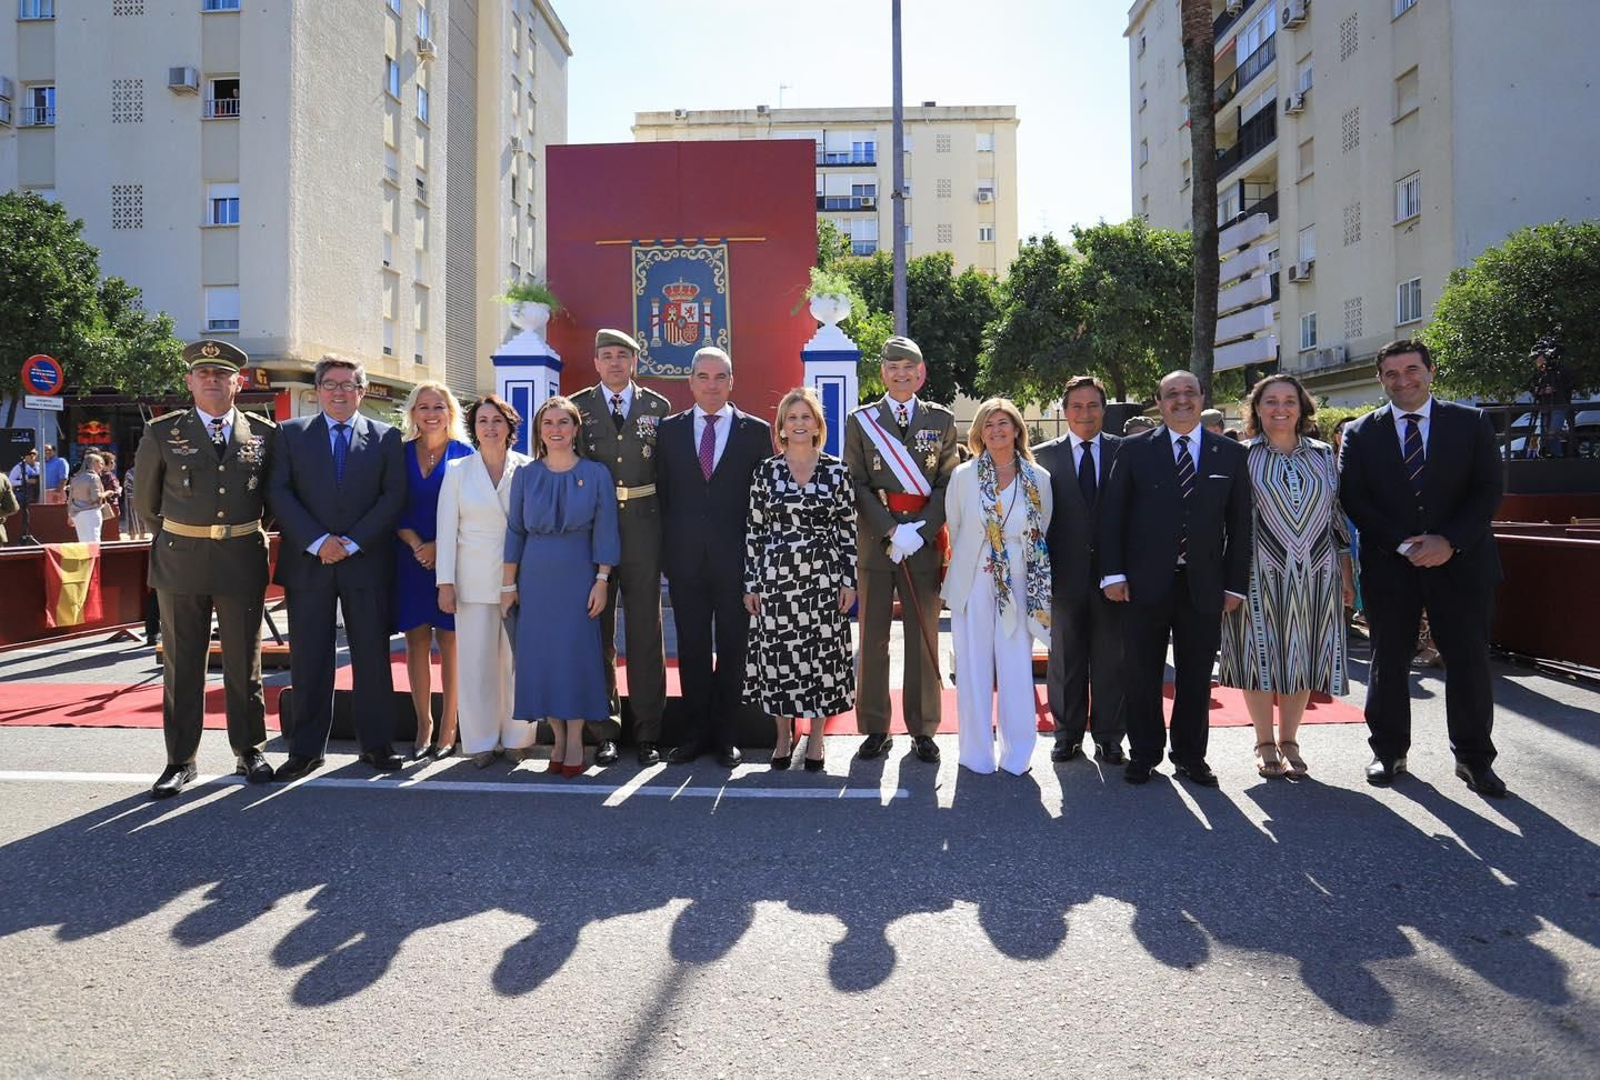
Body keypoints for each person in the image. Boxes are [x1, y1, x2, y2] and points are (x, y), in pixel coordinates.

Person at [1339, 339, 1506, 796]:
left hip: (1462, 562)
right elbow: (1354, 498)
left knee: (1468, 662)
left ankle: (1474, 759)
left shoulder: (1470, 423)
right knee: (1388, 660)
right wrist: (1403, 543)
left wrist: (1448, 541)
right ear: (1380, 379)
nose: (1403, 381)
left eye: (1412, 370)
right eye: (1391, 374)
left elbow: (1488, 489)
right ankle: (1388, 751)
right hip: (1390, 565)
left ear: (1430, 371)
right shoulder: (1360, 432)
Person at [134, 340, 278, 797]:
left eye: (222, 374)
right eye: (204, 373)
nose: (213, 380)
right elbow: (146, 505)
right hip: (182, 560)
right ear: (189, 382)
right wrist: (187, 532)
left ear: (238, 382)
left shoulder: (263, 433)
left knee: (243, 662)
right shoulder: (161, 433)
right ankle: (180, 759)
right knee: (182, 665)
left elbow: (271, 502)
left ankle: (250, 749)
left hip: (239, 557)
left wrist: (236, 531)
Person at [1099, 370, 1252, 787]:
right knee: (1142, 672)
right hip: (1143, 582)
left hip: (1204, 584)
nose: (1181, 400)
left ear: (1203, 398)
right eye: (1171, 394)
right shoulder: (1133, 451)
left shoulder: (1230, 453)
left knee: (1196, 675)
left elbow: (1241, 525)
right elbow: (1113, 516)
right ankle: (1144, 753)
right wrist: (1112, 574)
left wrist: (1235, 584)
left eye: (1189, 392)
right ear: (1159, 402)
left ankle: (1190, 755)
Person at [267, 354, 407, 780]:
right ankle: (306, 750)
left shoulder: (386, 438)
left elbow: (393, 497)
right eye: (331, 384)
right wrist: (318, 542)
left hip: (365, 562)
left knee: (372, 658)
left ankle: (377, 746)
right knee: (310, 659)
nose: (340, 392)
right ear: (318, 391)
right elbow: (279, 492)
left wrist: (351, 542)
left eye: (349, 385)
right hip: (309, 563)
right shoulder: (290, 435)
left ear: (362, 392)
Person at [1218, 375, 1354, 779]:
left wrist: (1347, 577)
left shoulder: (1323, 456)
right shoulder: (1240, 456)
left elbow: (1337, 519)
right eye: (1270, 401)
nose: (1280, 408)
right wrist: (1228, 581)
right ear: (1256, 410)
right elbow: (1229, 522)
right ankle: (1263, 742)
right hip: (1258, 573)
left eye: (1289, 400)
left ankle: (1290, 739)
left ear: (1302, 407)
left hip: (1318, 571)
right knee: (1259, 657)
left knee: (1303, 654)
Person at [843, 336, 960, 765]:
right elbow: (854, 481)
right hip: (877, 543)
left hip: (923, 546)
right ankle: (875, 725)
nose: (901, 374)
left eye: (909, 367)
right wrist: (891, 529)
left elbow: (950, 482)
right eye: (893, 367)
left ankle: (924, 727)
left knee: (922, 636)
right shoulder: (862, 421)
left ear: (921, 372)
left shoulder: (942, 420)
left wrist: (922, 531)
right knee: (872, 639)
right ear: (883, 374)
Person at [656, 346, 772, 768]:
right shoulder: (667, 432)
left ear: (731, 381)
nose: (711, 385)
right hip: (685, 562)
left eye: (719, 376)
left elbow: (762, 505)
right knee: (690, 648)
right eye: (703, 377)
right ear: (690, 382)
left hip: (737, 564)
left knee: (733, 648)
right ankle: (694, 734)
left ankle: (726, 735)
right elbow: (664, 497)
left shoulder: (756, 432)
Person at [501, 396, 620, 777]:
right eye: (548, 423)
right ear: (539, 430)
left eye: (563, 422)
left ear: (575, 429)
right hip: (535, 576)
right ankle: (556, 735)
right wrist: (508, 586)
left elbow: (605, 530)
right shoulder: (526, 475)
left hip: (579, 574)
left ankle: (576, 738)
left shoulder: (597, 473)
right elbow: (515, 530)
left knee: (576, 656)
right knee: (542, 658)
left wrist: (602, 580)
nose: (555, 429)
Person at [570, 329, 672, 767]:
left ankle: (648, 731)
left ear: (635, 361)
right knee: (596, 633)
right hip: (594, 530)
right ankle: (604, 730)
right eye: (606, 355)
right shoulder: (577, 407)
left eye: (622, 356)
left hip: (644, 527)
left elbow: (668, 475)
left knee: (646, 632)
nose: (614, 363)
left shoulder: (658, 407)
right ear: (595, 362)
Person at [743, 387, 857, 771]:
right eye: (791, 417)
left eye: (806, 416)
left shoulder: (836, 471)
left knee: (820, 655)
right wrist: (752, 583)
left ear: (817, 425)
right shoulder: (766, 471)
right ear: (781, 426)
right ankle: (782, 736)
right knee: (779, 657)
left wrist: (848, 580)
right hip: (776, 578)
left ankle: (817, 738)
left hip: (823, 578)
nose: (799, 423)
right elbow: (755, 531)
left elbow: (847, 530)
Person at [943, 399, 1053, 776]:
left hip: (1021, 581)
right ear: (978, 433)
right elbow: (955, 528)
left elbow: (1043, 530)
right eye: (988, 424)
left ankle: (1017, 752)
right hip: (974, 577)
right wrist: (985, 561)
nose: (996, 430)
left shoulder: (1038, 478)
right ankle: (976, 753)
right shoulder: (963, 476)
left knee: (1016, 665)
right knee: (972, 667)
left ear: (1018, 429)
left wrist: (1010, 563)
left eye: (1003, 423)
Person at [1033, 375, 1126, 764]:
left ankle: (1108, 737)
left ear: (1104, 409)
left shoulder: (1127, 452)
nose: (1084, 413)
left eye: (1092, 405)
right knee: (1065, 660)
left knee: (1111, 659)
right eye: (1076, 406)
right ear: (1064, 410)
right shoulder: (1041, 456)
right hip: (1062, 576)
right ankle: (1067, 734)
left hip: (1114, 577)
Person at [437, 395, 533, 768]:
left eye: (497, 420)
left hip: (518, 578)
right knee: (476, 663)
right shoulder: (458, 470)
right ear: (473, 428)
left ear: (510, 427)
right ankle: (479, 741)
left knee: (516, 663)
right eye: (482, 421)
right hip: (471, 579)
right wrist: (445, 582)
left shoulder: (527, 468)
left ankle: (517, 737)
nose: (489, 427)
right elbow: (446, 530)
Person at [393, 381, 474, 759]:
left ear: (450, 412)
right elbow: (391, 505)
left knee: (451, 642)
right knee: (416, 643)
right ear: (413, 413)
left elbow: (471, 512)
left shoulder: (465, 454)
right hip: (410, 558)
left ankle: (449, 727)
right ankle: (423, 724)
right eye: (423, 407)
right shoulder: (399, 453)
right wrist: (417, 545)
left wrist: (440, 546)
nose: (431, 413)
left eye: (438, 406)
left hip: (453, 558)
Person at [66, 453, 110, 544]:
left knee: (83, 542)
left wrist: (70, 515)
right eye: (101, 463)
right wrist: (107, 493)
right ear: (95, 463)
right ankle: (95, 559)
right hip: (91, 512)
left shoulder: (76, 478)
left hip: (77, 514)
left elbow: (70, 499)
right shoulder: (94, 477)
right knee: (94, 541)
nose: (102, 466)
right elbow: (96, 497)